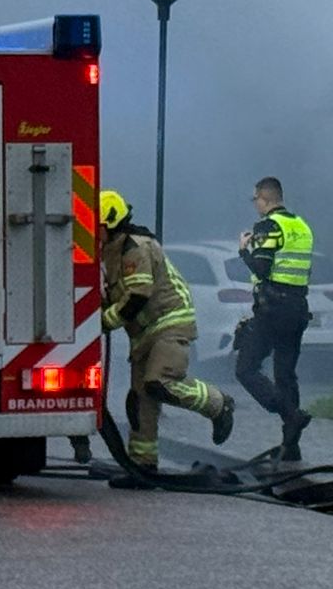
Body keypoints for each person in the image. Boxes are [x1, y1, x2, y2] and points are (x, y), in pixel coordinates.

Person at [99, 189, 233, 471]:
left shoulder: (135, 247)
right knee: (140, 402)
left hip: (168, 322)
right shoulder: (111, 251)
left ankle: (219, 404)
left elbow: (138, 295)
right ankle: (143, 464)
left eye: (94, 226)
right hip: (143, 333)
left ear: (110, 223)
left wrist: (104, 322)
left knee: (160, 383)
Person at [235, 176, 315, 460]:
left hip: (273, 309)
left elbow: (262, 268)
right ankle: (291, 447)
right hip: (297, 307)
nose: (255, 204)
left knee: (246, 368)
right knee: (286, 374)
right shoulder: (301, 226)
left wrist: (243, 250)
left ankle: (291, 414)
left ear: (265, 198)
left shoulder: (268, 226)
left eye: (255, 199)